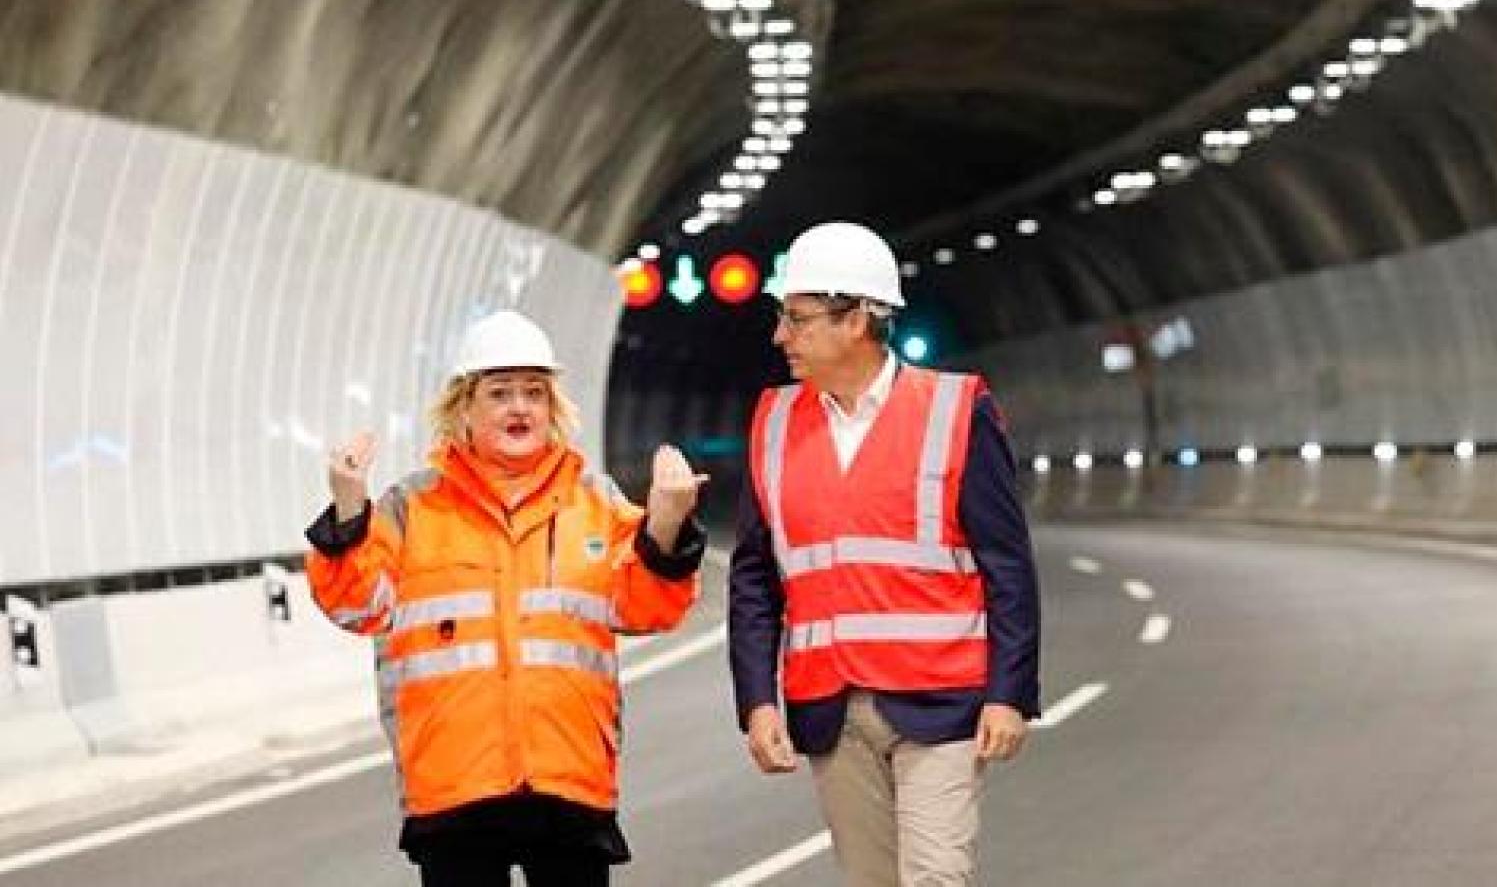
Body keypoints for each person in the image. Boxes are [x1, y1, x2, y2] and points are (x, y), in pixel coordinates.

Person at [304, 309, 707, 887]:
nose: (520, 407)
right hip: (454, 788)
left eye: (534, 393)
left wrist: (666, 525)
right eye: (500, 393)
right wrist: (348, 511)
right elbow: (355, 606)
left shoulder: (594, 502)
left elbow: (649, 608)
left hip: (569, 781)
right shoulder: (411, 507)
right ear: (463, 408)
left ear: (553, 407)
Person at [729, 222, 1042, 886]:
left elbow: (1006, 565)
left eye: (796, 317)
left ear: (858, 320)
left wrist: (1009, 694)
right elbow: (755, 576)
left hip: (944, 701)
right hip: (828, 707)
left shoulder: (956, 410)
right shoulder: (774, 422)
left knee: (934, 877)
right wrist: (757, 700)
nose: (779, 335)